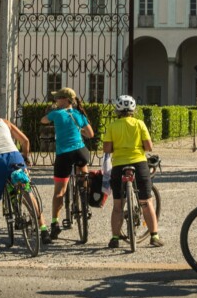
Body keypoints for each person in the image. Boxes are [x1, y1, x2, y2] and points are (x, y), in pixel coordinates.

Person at [0, 99, 50, 251]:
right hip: (15, 158)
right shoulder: (5, 122)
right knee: (27, 191)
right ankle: (43, 228)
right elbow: (25, 141)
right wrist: (25, 157)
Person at [102, 94, 163, 248]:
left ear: (117, 110)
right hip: (139, 163)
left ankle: (115, 238)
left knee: (117, 205)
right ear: (133, 110)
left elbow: (107, 149)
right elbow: (149, 147)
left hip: (119, 166)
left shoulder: (112, 126)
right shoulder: (139, 124)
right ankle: (154, 236)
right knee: (146, 202)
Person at [40, 87, 94, 240]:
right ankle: (84, 195)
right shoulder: (79, 114)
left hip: (63, 154)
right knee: (83, 172)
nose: (55, 101)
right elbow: (90, 134)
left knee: (59, 191)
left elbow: (43, 120)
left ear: (65, 100)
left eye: (58, 98)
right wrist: (79, 131)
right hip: (80, 151)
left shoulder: (56, 113)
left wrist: (51, 112)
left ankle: (55, 223)